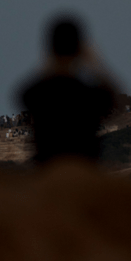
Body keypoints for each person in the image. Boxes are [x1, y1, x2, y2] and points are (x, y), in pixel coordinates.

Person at [14, 13, 119, 165]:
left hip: (48, 173)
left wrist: (50, 62)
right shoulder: (89, 95)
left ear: (51, 48)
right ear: (79, 48)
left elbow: (22, 93)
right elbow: (116, 100)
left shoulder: (37, 93)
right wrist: (97, 64)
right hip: (84, 172)